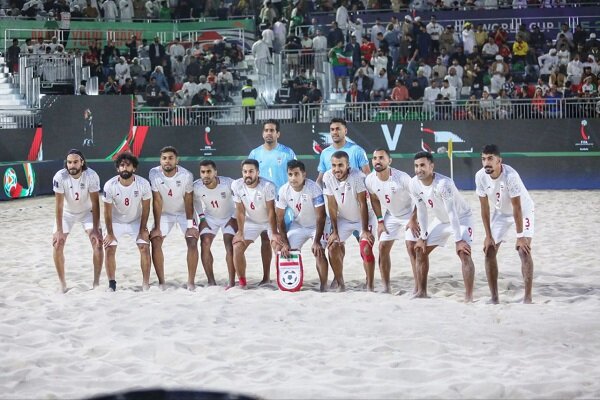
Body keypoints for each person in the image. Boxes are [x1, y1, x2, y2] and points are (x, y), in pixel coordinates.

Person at [409, 151, 475, 302]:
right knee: (420, 249)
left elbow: (452, 213)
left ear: (432, 166)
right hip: (440, 220)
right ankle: (422, 292)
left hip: (462, 218)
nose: (419, 169)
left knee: (464, 252)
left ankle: (469, 297)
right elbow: (422, 210)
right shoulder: (413, 183)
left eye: (423, 165)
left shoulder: (444, 184)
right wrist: (423, 237)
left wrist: (458, 240)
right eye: (416, 166)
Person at [476, 144, 535, 304]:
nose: (486, 162)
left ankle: (527, 298)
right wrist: (488, 236)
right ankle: (494, 298)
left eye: (490, 159)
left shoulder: (511, 176)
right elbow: (484, 208)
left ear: (499, 161)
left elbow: (517, 207)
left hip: (523, 211)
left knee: (523, 251)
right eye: (483, 159)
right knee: (489, 251)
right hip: (501, 213)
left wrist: (520, 236)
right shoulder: (480, 176)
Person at [248, 120, 297, 284]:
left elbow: (296, 174)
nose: (269, 133)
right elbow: (249, 177)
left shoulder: (287, 153)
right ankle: (266, 277)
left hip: (283, 202)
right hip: (263, 203)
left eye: (272, 130)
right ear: (263, 133)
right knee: (265, 240)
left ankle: (286, 274)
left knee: (284, 238)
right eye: (266, 130)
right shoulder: (254, 154)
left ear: (278, 134)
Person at [366, 149, 418, 294]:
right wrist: (380, 221)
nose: (377, 160)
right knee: (382, 247)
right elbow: (374, 199)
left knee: (411, 247)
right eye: (375, 158)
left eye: (381, 158)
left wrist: (414, 219)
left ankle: (418, 286)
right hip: (391, 215)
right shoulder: (370, 179)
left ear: (389, 161)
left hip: (409, 213)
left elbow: (420, 198)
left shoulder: (402, 177)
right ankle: (386, 287)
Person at [323, 151, 375, 292]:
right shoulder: (328, 176)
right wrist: (334, 232)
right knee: (332, 247)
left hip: (365, 217)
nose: (337, 169)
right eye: (334, 165)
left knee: (366, 247)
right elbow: (332, 205)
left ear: (348, 165)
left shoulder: (358, 176)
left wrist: (364, 230)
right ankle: (341, 284)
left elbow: (362, 203)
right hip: (344, 219)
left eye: (340, 165)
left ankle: (369, 284)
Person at [52, 149, 103, 293]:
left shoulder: (91, 176)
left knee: (98, 243)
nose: (72, 165)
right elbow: (59, 205)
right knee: (57, 244)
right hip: (67, 213)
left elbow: (95, 203)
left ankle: (96, 283)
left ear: (82, 162)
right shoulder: (60, 176)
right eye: (69, 162)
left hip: (87, 212)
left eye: (75, 162)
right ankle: (62, 284)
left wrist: (95, 229)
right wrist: (60, 231)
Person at [148, 146, 198, 290]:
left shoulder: (186, 175)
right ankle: (162, 282)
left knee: (192, 241)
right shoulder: (153, 173)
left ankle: (191, 282)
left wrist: (190, 225)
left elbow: (189, 200)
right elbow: (156, 201)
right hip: (165, 214)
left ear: (177, 160)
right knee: (156, 241)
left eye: (170, 158)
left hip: (184, 213)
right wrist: (157, 227)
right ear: (160, 160)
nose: (167, 161)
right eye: (164, 158)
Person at [276, 160, 329, 292]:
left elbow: (321, 216)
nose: (293, 178)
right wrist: (285, 243)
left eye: (296, 174)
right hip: (298, 225)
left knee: (319, 251)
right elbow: (279, 218)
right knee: (288, 252)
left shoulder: (314, 188)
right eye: (290, 174)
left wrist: (316, 241)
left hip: (318, 225)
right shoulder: (283, 190)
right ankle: (293, 283)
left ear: (303, 174)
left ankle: (323, 285)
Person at [102, 152, 152, 291]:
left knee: (144, 247)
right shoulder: (109, 185)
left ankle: (145, 283)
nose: (125, 168)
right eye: (122, 165)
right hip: (116, 222)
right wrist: (110, 233)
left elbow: (146, 208)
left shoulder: (143, 184)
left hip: (135, 221)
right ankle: (112, 284)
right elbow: (106, 212)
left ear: (134, 168)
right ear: (118, 169)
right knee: (109, 247)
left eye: (128, 165)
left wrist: (143, 230)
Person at [231, 159, 282, 288]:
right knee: (237, 246)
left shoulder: (267, 186)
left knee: (278, 248)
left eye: (251, 171)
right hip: (251, 221)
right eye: (245, 171)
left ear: (257, 172)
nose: (248, 174)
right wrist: (240, 232)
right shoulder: (236, 185)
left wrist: (275, 233)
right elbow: (240, 211)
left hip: (269, 221)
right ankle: (242, 282)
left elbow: (271, 211)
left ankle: (278, 280)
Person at [193, 160, 237, 288]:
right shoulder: (197, 186)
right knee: (205, 244)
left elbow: (241, 197)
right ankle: (211, 281)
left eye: (209, 171)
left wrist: (234, 217)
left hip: (229, 217)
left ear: (215, 172)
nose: (205, 175)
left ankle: (231, 281)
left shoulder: (228, 183)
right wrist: (201, 218)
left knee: (229, 245)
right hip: (210, 218)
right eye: (203, 172)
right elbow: (195, 201)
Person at [316, 118, 370, 187]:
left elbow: (367, 175)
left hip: (354, 195)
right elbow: (320, 179)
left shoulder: (357, 150)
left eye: (338, 129)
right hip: (333, 195)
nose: (335, 132)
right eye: (332, 129)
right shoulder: (324, 153)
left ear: (345, 131)